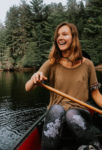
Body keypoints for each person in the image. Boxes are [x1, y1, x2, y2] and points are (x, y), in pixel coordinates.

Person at [25, 22, 102, 150]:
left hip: (79, 115)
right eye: (58, 35)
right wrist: (34, 79)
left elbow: (96, 94)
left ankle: (96, 145)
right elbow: (27, 87)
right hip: (56, 116)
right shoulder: (51, 63)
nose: (60, 37)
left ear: (74, 37)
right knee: (56, 109)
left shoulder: (88, 64)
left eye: (64, 34)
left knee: (71, 113)